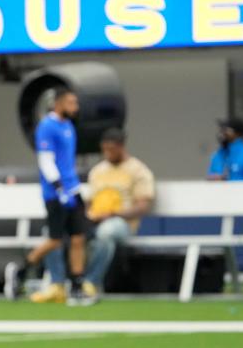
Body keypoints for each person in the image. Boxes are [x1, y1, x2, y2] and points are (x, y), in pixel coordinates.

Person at [34, 129, 155, 304]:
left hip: (122, 223)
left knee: (106, 232)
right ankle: (57, 285)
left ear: (121, 147)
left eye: (111, 149)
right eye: (104, 149)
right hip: (95, 219)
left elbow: (143, 205)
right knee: (54, 231)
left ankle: (90, 283)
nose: (107, 153)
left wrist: (113, 213)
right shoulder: (98, 171)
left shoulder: (138, 170)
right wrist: (85, 216)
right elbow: (89, 202)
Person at [5, 88, 92, 306]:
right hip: (55, 193)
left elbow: (67, 162)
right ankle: (22, 270)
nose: (75, 107)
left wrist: (75, 189)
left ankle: (77, 285)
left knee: (78, 238)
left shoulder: (69, 126)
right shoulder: (46, 127)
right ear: (59, 103)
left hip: (72, 190)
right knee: (55, 239)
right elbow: (46, 161)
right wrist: (59, 187)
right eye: (71, 103)